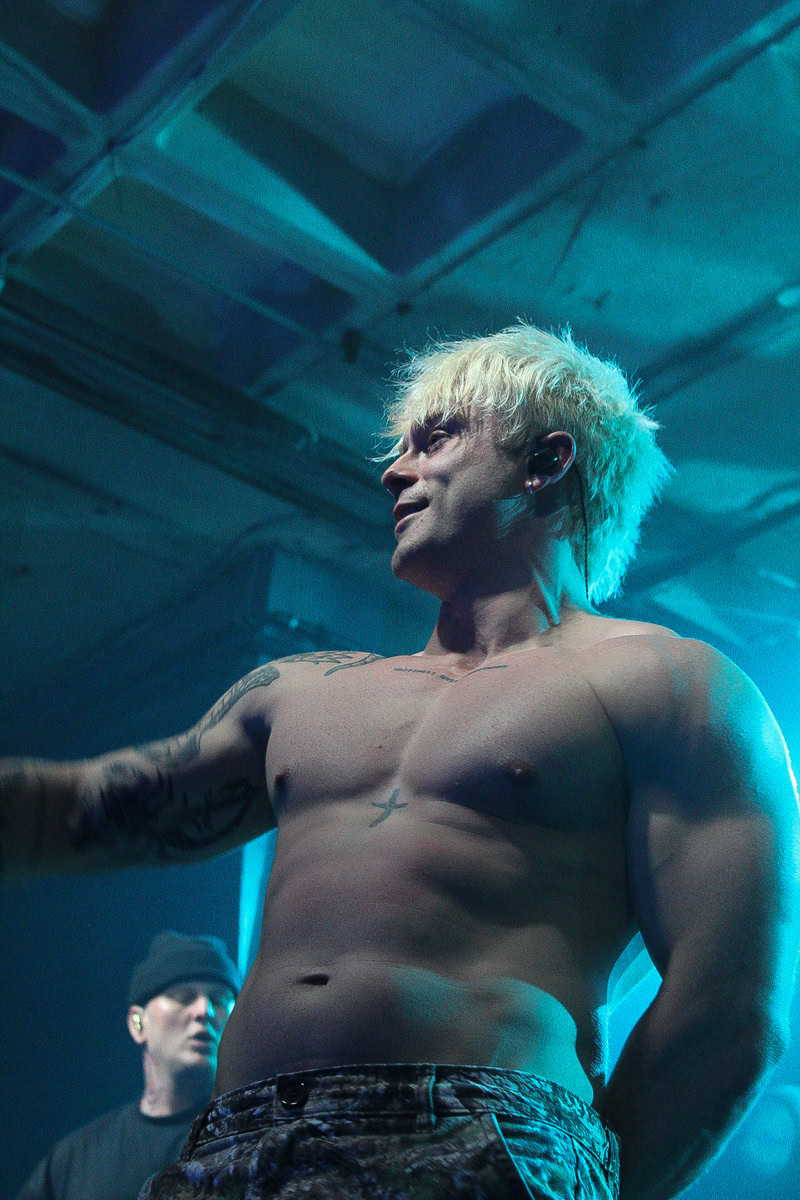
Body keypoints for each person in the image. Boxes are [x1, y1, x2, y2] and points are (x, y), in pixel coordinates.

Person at [2, 322, 798, 1200]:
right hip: (235, 1147)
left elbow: (730, 1013)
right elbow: (78, 810)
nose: (393, 471)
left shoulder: (673, 684)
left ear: (546, 462)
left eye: (435, 439)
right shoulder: (296, 692)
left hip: (491, 1133)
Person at [15, 931, 240, 1200]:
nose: (205, 1010)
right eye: (183, 997)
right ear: (138, 1023)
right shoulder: (74, 1160)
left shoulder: (252, 1144)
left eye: (219, 999)